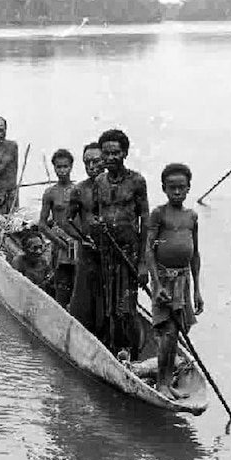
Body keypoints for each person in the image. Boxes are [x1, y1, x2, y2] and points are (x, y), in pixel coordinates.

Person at [147, 163, 204, 401]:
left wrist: (197, 291)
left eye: (182, 187)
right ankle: (161, 383)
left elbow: (195, 254)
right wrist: (156, 285)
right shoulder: (159, 214)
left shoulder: (192, 216)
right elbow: (149, 251)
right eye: (172, 188)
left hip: (184, 280)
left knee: (178, 331)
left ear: (189, 188)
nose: (177, 192)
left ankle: (168, 382)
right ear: (164, 189)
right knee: (167, 333)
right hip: (163, 279)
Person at [92, 129, 149, 360]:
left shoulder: (137, 181)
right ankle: (117, 351)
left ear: (124, 153)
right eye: (106, 153)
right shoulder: (99, 181)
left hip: (129, 253)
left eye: (116, 153)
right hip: (107, 252)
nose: (111, 158)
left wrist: (143, 261)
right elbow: (98, 213)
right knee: (111, 308)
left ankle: (133, 354)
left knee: (127, 307)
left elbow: (145, 220)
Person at [66, 142, 105, 333]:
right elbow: (67, 221)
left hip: (110, 255)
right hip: (88, 253)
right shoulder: (80, 190)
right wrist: (81, 238)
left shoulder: (116, 189)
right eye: (87, 162)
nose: (91, 166)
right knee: (83, 297)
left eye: (96, 161)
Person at [38, 148, 76, 307]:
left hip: (75, 243)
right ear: (54, 167)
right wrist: (59, 242)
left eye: (65, 167)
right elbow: (42, 224)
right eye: (58, 167)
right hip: (59, 243)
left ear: (71, 167)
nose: (62, 171)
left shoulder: (77, 190)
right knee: (61, 282)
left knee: (77, 282)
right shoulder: (51, 193)